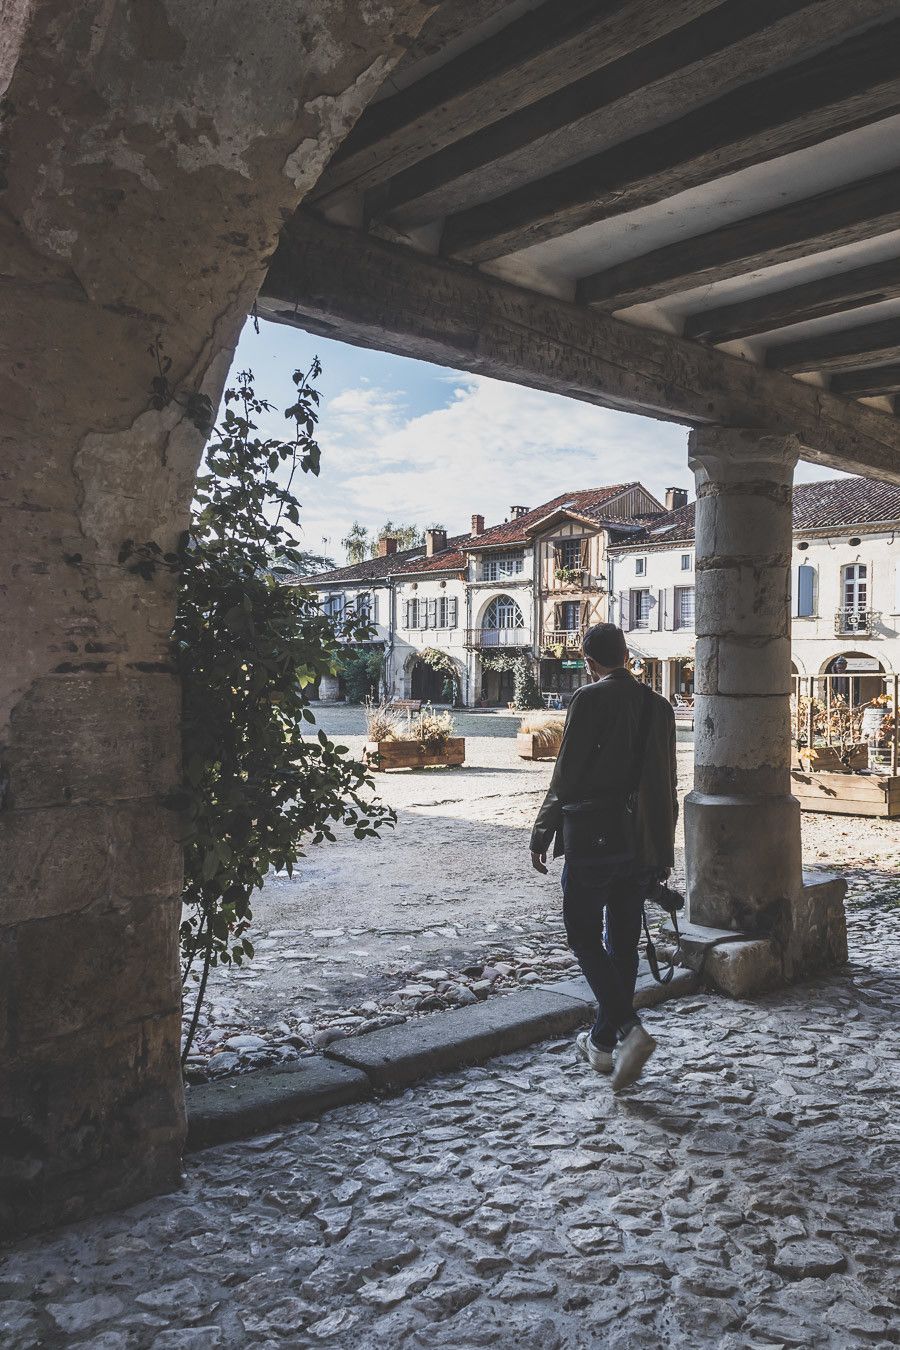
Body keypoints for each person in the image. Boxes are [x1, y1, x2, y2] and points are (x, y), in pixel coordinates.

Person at [530, 623, 678, 1092]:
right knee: (622, 943)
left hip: (594, 838)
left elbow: (567, 774)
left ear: (589, 662)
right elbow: (666, 784)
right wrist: (662, 850)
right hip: (638, 844)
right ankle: (602, 1041)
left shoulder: (590, 699)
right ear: (627, 656)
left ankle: (630, 1030)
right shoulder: (660, 706)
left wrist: (542, 829)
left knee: (582, 935)